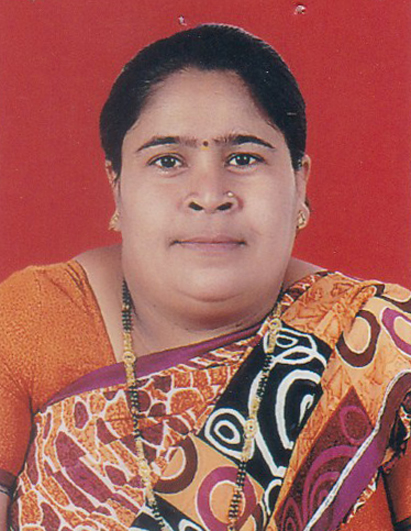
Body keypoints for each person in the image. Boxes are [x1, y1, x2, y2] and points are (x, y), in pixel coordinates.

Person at [0, 24, 410, 531]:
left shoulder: (383, 343)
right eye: (168, 160)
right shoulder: (32, 319)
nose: (210, 194)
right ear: (117, 185)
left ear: (299, 182)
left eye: (244, 158)